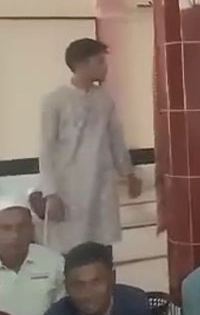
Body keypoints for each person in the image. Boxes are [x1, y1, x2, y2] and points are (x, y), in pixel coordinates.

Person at [37, 38, 142, 254]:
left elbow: (116, 141)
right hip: (68, 189)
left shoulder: (104, 100)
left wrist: (129, 174)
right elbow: (46, 149)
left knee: (101, 246)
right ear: (82, 64)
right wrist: (51, 193)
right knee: (70, 249)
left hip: (101, 185)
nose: (105, 67)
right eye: (100, 61)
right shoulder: (55, 100)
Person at [0, 195, 64, 315]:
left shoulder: (55, 263)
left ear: (32, 229)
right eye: (6, 228)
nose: (15, 235)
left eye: (22, 227)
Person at [45, 242, 151, 315]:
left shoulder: (134, 304)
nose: (88, 294)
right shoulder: (57, 313)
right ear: (66, 287)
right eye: (79, 285)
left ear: (112, 277)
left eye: (96, 282)